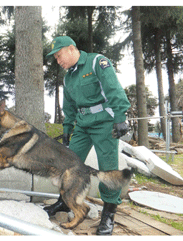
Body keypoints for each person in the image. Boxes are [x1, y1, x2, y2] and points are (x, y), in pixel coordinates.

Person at [45, 36, 131, 235]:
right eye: (56, 58)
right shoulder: (68, 77)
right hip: (83, 125)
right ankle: (65, 203)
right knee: (68, 165)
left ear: (71, 48)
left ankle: (109, 214)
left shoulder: (97, 62)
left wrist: (120, 116)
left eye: (59, 55)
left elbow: (113, 88)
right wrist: (67, 128)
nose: (58, 61)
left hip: (105, 123)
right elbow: (69, 106)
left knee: (108, 170)